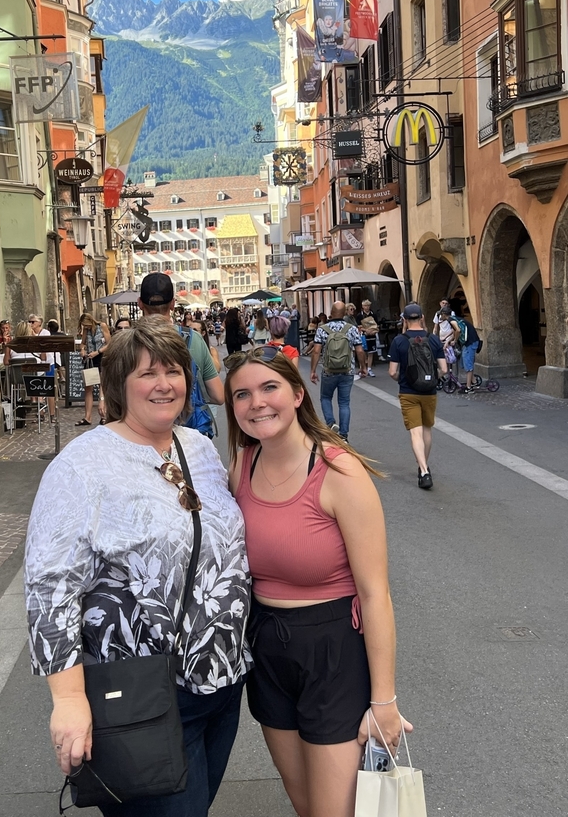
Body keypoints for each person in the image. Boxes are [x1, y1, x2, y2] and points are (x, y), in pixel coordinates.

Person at [25, 318, 251, 817]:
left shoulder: (196, 446)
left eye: (174, 371)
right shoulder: (82, 465)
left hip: (218, 684)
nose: (164, 384)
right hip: (142, 693)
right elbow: (50, 588)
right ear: (119, 385)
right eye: (148, 373)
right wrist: (68, 700)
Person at [224, 346, 410, 817]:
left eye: (269, 388)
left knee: (336, 812)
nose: (256, 403)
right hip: (267, 649)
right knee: (306, 804)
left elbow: (375, 593)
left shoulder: (338, 469)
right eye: (242, 394)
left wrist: (383, 699)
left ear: (298, 394)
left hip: (333, 650)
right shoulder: (239, 469)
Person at [138, 273, 224, 410]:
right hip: (188, 427)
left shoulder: (127, 342)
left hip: (143, 427)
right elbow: (218, 396)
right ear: (172, 304)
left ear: (140, 303)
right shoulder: (193, 338)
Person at [388, 303, 447, 490]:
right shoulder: (433, 339)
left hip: (408, 392)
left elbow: (392, 372)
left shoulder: (399, 341)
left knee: (416, 432)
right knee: (427, 430)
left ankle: (423, 470)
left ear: (404, 320)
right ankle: (423, 467)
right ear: (422, 317)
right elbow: (444, 369)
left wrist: (403, 378)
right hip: (429, 392)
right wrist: (431, 378)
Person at [310, 302, 365, 442]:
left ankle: (331, 423)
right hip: (347, 370)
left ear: (332, 312)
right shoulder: (352, 329)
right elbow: (359, 350)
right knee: (344, 402)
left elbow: (316, 351)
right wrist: (363, 367)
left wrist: (313, 370)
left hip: (329, 371)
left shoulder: (322, 329)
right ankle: (344, 435)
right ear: (344, 313)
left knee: (326, 398)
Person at [76, 313, 111, 427]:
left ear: (91, 321)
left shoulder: (102, 326)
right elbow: (82, 343)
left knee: (102, 385)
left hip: (101, 357)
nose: (85, 327)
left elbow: (109, 344)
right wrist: (82, 350)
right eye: (83, 326)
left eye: (86, 325)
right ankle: (88, 417)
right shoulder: (86, 330)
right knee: (88, 387)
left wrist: (98, 352)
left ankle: (104, 415)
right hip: (90, 359)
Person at [355, 299, 379, 378]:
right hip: (364, 336)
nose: (367, 307)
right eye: (365, 305)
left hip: (372, 336)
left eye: (368, 305)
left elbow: (377, 325)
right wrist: (366, 330)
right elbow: (358, 326)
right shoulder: (359, 315)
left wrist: (374, 331)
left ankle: (369, 368)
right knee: (363, 352)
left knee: (371, 353)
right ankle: (363, 368)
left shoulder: (373, 314)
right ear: (362, 306)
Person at [433, 307, 460, 375]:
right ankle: (445, 376)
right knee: (443, 358)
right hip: (441, 338)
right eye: (443, 303)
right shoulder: (438, 314)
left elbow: (455, 329)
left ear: (444, 314)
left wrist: (449, 339)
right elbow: (435, 327)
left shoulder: (451, 318)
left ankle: (454, 376)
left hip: (450, 339)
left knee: (452, 357)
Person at [459, 317, 481, 393]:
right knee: (466, 363)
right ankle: (474, 381)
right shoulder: (458, 320)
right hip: (470, 343)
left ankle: (469, 388)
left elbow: (457, 331)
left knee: (468, 365)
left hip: (470, 343)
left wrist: (453, 340)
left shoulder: (453, 321)